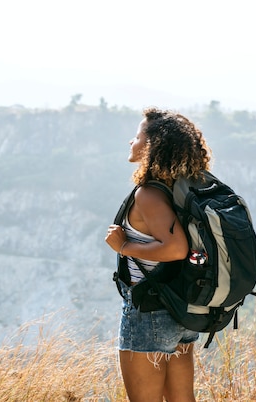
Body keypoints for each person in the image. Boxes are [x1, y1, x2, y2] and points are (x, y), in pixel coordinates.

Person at [105, 107, 212, 402]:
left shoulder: (149, 195)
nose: (132, 141)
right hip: (180, 308)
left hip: (150, 310)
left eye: (138, 136)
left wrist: (124, 247)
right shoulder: (181, 188)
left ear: (152, 145)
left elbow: (176, 248)